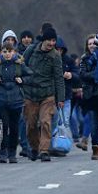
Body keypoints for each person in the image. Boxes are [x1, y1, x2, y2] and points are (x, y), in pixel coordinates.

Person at [22, 27, 65, 162]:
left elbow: (59, 78)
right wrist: (25, 79)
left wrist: (61, 98)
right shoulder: (31, 50)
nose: (51, 43)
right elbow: (21, 65)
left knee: (46, 122)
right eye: (49, 40)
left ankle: (44, 150)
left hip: (47, 94)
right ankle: (35, 147)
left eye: (53, 41)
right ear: (43, 40)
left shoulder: (55, 56)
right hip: (30, 93)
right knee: (31, 124)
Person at [0, 42, 31, 163]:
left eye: (10, 51)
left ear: (14, 52)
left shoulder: (19, 64)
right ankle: (3, 152)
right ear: (1, 52)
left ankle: (12, 153)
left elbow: (31, 76)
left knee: (14, 128)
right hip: (1, 99)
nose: (7, 54)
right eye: (5, 51)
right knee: (4, 126)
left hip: (16, 99)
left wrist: (22, 80)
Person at [51, 36, 78, 156]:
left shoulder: (68, 60)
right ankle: (54, 145)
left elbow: (78, 75)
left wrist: (70, 75)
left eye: (60, 49)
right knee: (55, 122)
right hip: (52, 96)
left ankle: (64, 144)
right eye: (56, 49)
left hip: (66, 96)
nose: (58, 51)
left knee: (65, 122)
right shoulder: (49, 60)